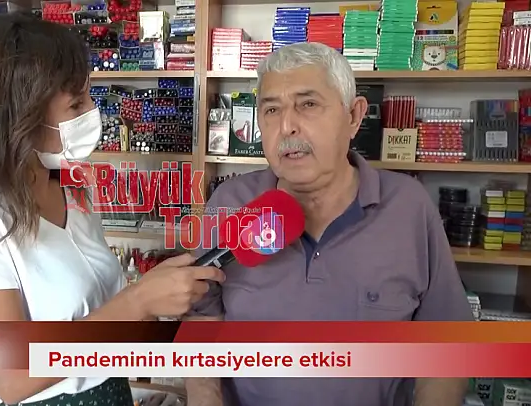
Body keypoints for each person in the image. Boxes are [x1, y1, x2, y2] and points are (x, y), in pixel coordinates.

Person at [0, 13, 224, 406]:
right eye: (76, 103)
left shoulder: (72, 191)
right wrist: (138, 301)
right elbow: (10, 376)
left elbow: (102, 319)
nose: (93, 112)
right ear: (19, 117)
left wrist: (160, 303)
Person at [185, 42, 473, 406]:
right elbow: (202, 319)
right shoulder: (229, 203)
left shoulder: (409, 207)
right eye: (271, 109)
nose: (287, 126)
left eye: (308, 104)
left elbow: (447, 342)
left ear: (353, 116)